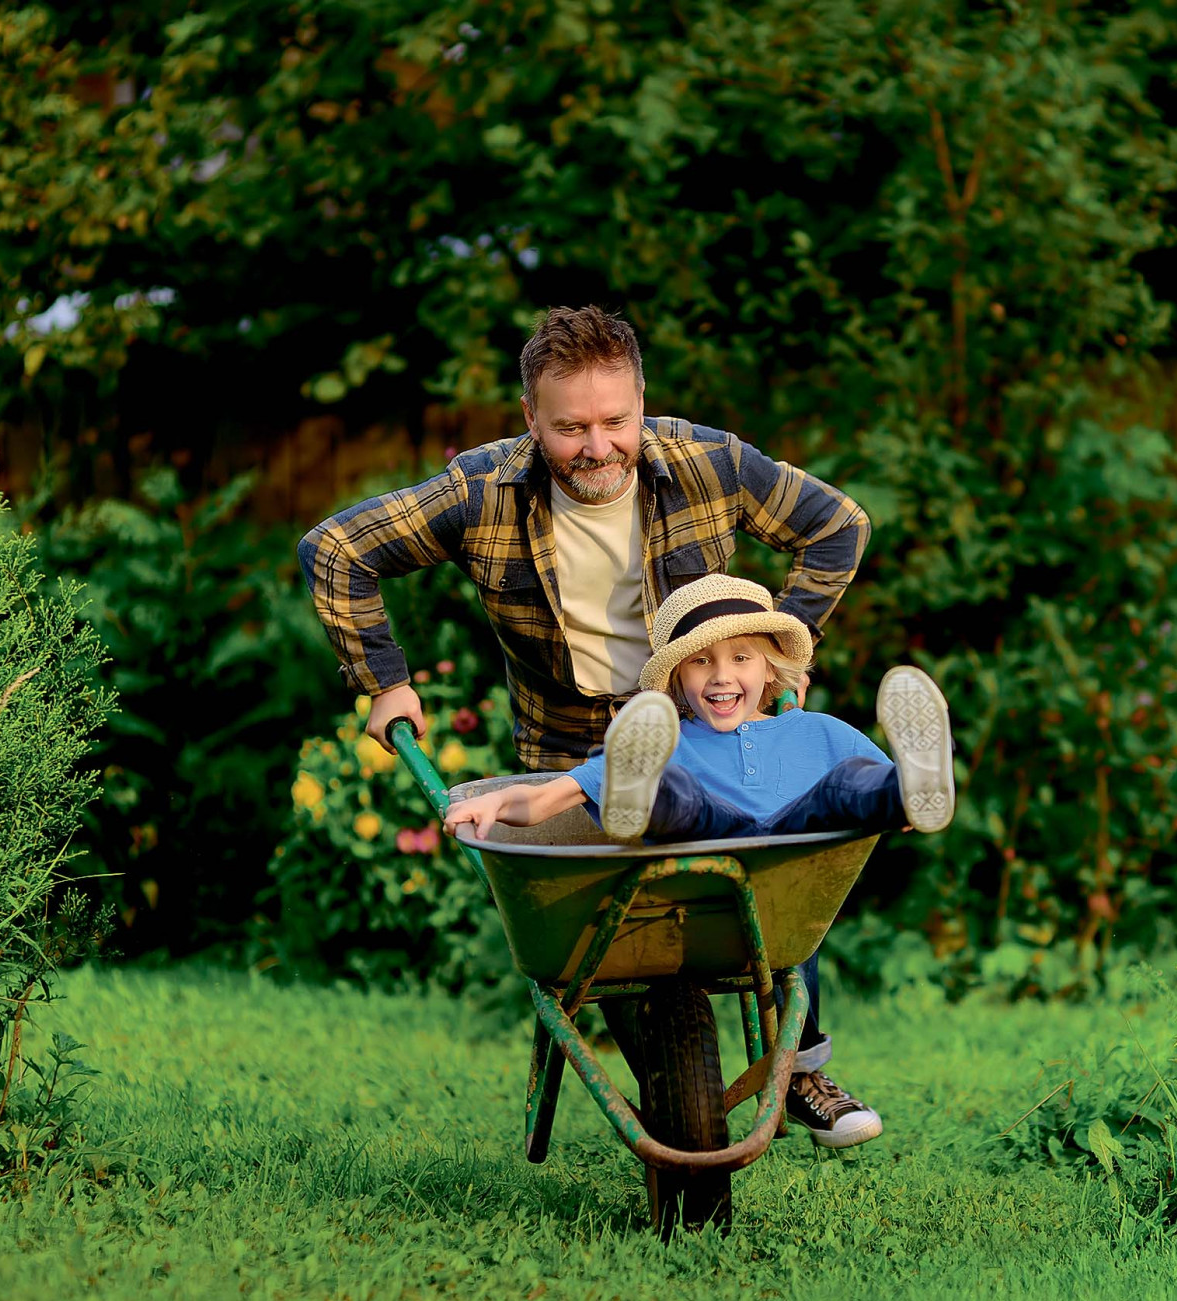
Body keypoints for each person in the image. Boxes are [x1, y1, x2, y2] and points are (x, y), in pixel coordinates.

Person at [298, 306, 882, 1142]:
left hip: (702, 722)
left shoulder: (709, 463)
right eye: (571, 427)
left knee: (778, 840)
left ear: (642, 404)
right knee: (618, 926)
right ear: (531, 418)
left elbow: (837, 525)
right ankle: (682, 1095)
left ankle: (799, 1067)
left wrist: (785, 643)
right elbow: (337, 549)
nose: (598, 446)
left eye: (616, 420)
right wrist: (383, 682)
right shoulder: (483, 489)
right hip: (569, 745)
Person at [441, 576, 955, 1147]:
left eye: (742, 657)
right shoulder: (670, 740)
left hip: (787, 866)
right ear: (678, 680)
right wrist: (493, 805)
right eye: (701, 661)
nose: (721, 675)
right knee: (681, 794)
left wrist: (899, 807)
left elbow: (858, 793)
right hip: (701, 868)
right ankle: (640, 797)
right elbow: (545, 800)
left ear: (772, 669)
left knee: (849, 782)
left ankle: (914, 785)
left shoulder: (820, 733)